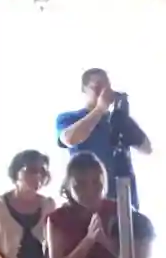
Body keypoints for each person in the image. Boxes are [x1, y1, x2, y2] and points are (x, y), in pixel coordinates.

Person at [55, 68, 151, 209]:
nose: (104, 92)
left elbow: (147, 148)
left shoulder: (117, 119)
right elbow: (69, 139)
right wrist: (99, 109)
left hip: (123, 198)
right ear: (84, 90)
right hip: (86, 198)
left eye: (107, 87)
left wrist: (125, 121)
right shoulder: (69, 118)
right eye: (98, 87)